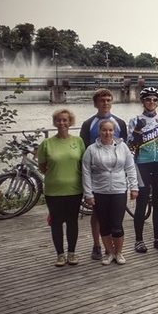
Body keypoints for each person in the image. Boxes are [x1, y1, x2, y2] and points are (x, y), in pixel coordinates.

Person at [79, 88, 128, 261]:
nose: (105, 103)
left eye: (108, 100)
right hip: (96, 173)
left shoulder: (120, 123)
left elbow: (124, 150)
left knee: (113, 216)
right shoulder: (88, 124)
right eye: (102, 100)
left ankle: (116, 250)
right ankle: (97, 245)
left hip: (115, 176)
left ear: (111, 102)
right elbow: (83, 149)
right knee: (97, 213)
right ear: (96, 103)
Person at [82, 120, 139, 265]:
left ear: (114, 132)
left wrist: (134, 187)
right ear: (99, 132)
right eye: (104, 130)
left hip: (118, 189)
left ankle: (119, 252)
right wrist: (88, 194)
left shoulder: (122, 147)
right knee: (104, 224)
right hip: (100, 190)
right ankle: (109, 252)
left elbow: (130, 168)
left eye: (110, 130)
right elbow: (86, 172)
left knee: (116, 224)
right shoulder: (91, 149)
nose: (107, 133)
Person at [128, 87, 158, 253]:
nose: (151, 102)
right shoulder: (135, 120)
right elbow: (131, 145)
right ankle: (139, 240)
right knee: (142, 201)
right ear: (142, 101)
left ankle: (157, 238)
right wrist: (138, 131)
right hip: (142, 164)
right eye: (148, 99)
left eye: (154, 100)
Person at [38, 109, 86, 267]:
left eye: (65, 120)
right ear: (55, 122)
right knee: (56, 222)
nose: (62, 123)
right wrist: (57, 177)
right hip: (54, 190)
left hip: (74, 189)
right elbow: (43, 167)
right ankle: (60, 254)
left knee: (72, 222)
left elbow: (83, 164)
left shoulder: (78, 142)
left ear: (70, 122)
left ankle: (71, 253)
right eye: (58, 120)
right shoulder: (47, 143)